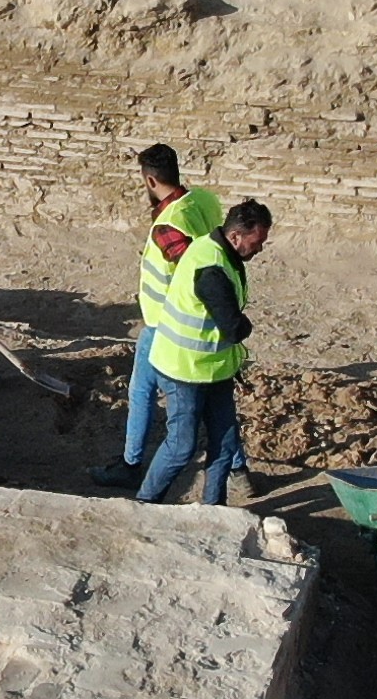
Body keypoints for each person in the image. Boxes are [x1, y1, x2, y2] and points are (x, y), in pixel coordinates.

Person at [90, 144, 224, 490]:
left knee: (155, 400)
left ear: (149, 180)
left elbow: (195, 274)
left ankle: (133, 468)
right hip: (187, 325)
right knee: (215, 404)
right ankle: (237, 470)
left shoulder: (167, 227)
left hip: (169, 325)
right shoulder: (203, 201)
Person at [140, 200, 273, 506]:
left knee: (225, 444)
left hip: (213, 368)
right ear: (237, 236)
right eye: (257, 242)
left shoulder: (214, 248)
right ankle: (144, 504)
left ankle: (214, 509)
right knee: (181, 447)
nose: (260, 249)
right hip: (183, 370)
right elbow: (232, 327)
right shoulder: (211, 268)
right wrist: (245, 326)